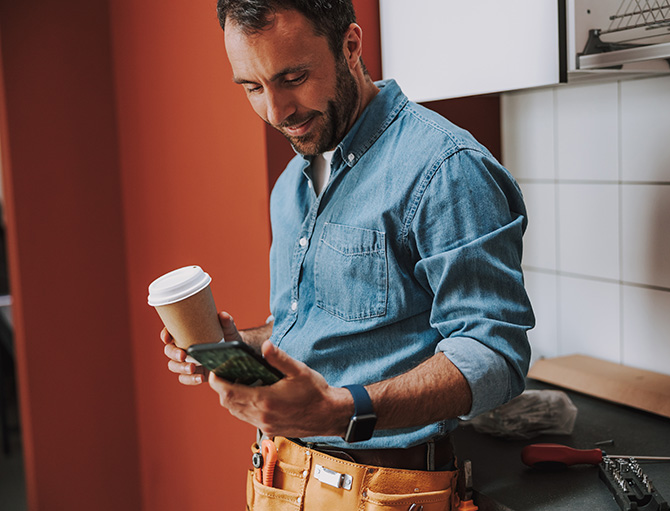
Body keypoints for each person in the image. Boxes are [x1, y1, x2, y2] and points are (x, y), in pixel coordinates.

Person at [161, 0, 535, 508]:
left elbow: (496, 355)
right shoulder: (291, 183)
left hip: (386, 492)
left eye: (293, 76)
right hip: (276, 476)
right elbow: (315, 323)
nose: (276, 111)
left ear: (350, 46)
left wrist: (343, 410)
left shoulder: (446, 168)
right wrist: (240, 346)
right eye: (251, 87)